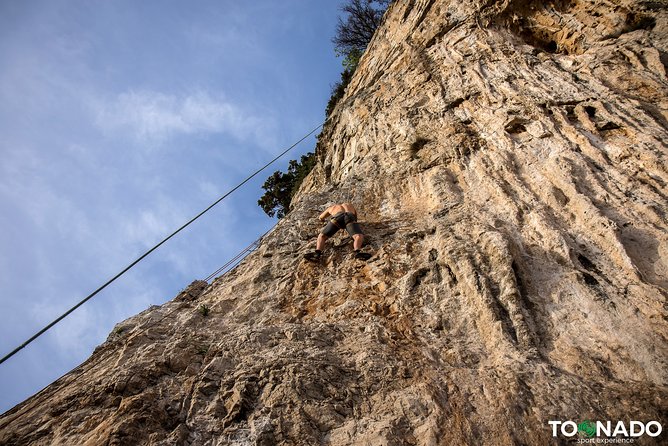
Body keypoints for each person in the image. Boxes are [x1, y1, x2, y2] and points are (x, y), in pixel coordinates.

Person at [305, 202, 370, 261]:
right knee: (358, 236)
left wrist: (322, 220)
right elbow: (355, 217)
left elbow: (321, 217)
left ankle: (317, 253)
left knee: (322, 236)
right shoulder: (349, 205)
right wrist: (351, 226)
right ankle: (357, 252)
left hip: (337, 217)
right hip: (349, 216)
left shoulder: (332, 208)